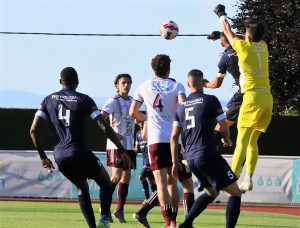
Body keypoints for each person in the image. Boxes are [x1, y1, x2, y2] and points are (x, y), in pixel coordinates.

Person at [29, 67, 130, 228]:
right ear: (77, 82)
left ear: (60, 81)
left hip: (60, 156)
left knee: (82, 187)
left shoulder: (48, 100)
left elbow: (33, 130)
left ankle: (92, 226)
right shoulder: (84, 99)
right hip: (81, 152)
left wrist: (43, 156)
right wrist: (121, 149)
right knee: (106, 183)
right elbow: (103, 126)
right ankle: (104, 218)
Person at [171, 69, 241, 228]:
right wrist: (227, 139)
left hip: (190, 158)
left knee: (212, 192)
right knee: (235, 193)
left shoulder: (180, 107)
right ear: (203, 83)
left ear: (189, 84)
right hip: (207, 154)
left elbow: (174, 137)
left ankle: (186, 224)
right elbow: (223, 126)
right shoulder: (210, 100)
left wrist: (175, 161)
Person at [214, 4, 273, 193]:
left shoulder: (242, 47)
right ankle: (248, 178)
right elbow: (239, 35)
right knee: (252, 141)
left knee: (241, 140)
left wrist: (221, 14)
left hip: (252, 97)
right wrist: (224, 36)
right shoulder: (263, 46)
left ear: (247, 36)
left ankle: (230, 177)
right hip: (267, 98)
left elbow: (228, 30)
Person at [129, 54, 185, 228]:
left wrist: (148, 120)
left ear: (153, 68)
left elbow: (133, 113)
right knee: (172, 181)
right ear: (169, 68)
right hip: (174, 139)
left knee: (160, 183)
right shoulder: (177, 86)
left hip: (155, 139)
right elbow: (183, 107)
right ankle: (174, 221)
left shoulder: (143, 86)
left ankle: (169, 222)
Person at [133, 122, 194, 228]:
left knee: (166, 184)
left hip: (166, 144)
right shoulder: (177, 107)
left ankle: (144, 212)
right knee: (182, 183)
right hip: (179, 148)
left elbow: (144, 135)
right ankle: (185, 222)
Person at [100, 73, 136, 223]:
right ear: (117, 85)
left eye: (128, 82)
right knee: (116, 176)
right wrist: (113, 133)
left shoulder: (134, 101)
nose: (126, 85)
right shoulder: (113, 101)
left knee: (127, 175)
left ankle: (119, 210)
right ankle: (105, 209)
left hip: (129, 145)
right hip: (116, 146)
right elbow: (101, 118)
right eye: (123, 83)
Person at [205, 31, 243, 145]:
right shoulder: (245, 47)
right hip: (262, 90)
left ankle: (210, 153)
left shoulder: (225, 59)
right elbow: (247, 36)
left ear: (222, 44)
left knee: (222, 123)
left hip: (244, 92)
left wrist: (204, 84)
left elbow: (216, 84)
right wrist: (222, 34)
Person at [134, 121, 157, 200]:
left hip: (150, 158)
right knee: (151, 180)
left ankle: (148, 199)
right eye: (139, 122)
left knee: (141, 177)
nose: (140, 123)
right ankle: (155, 199)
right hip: (144, 159)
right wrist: (130, 156)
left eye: (142, 122)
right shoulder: (137, 134)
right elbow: (136, 148)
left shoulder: (150, 131)